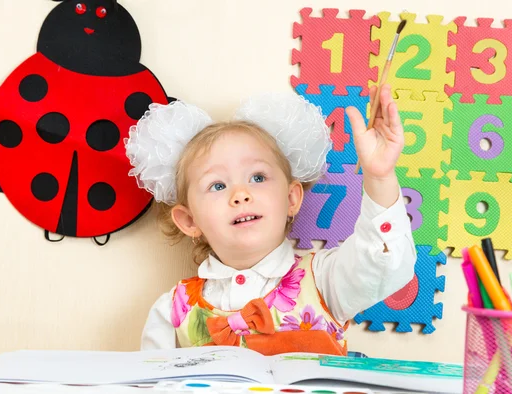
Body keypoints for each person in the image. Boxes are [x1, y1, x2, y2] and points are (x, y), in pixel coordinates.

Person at [126, 85, 416, 355]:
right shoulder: (171, 312)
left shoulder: (326, 279)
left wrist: (380, 177)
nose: (240, 194)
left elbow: (385, 261)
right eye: (217, 185)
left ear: (291, 198)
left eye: (258, 177)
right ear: (189, 220)